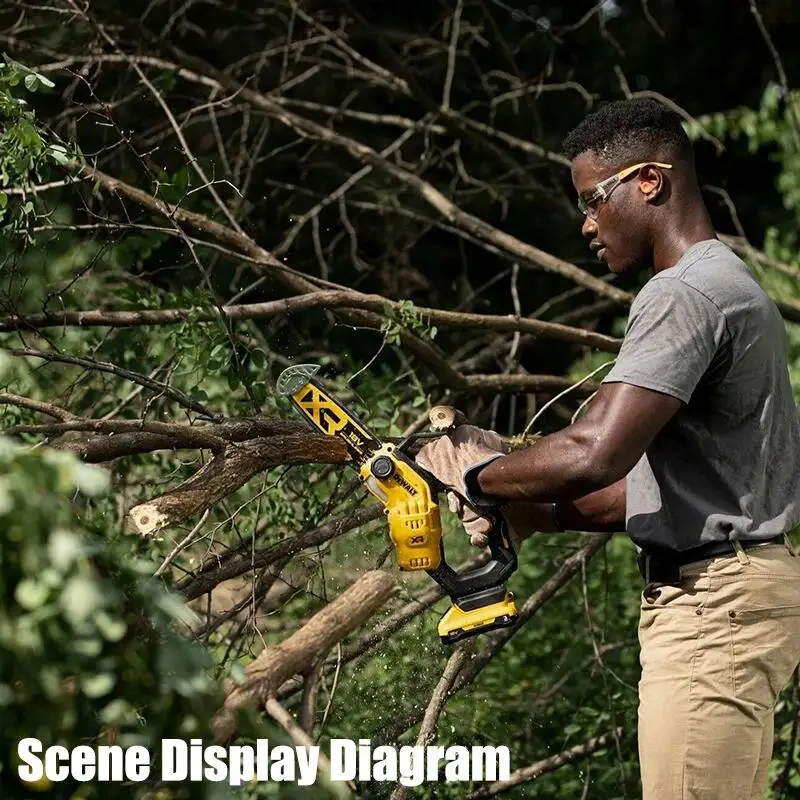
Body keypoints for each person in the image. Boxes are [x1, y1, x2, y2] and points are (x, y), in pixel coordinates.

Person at [415, 97, 800, 800]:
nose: (587, 225)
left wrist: (478, 476)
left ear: (648, 182)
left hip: (713, 609)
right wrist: (536, 508)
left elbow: (596, 452)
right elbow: (652, 490)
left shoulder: (684, 295)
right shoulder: (730, 284)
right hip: (730, 598)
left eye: (594, 201)